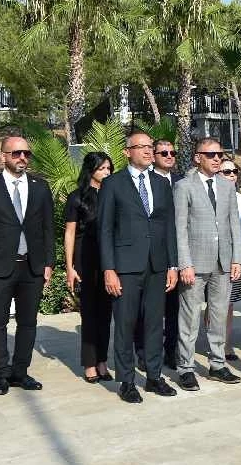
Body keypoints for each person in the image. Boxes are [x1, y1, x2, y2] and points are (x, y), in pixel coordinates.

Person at [98, 131, 179, 403]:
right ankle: (127, 381)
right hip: (125, 267)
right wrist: (109, 269)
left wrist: (172, 264)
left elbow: (168, 227)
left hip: (157, 265)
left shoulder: (161, 183)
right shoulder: (113, 184)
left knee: (155, 323)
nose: (147, 151)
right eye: (141, 146)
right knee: (125, 323)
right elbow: (105, 229)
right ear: (127, 152)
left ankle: (154, 376)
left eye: (150, 146)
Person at [0, 136, 55, 396]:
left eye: (26, 153)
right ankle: (1, 373)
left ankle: (20, 372)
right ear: (3, 156)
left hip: (32, 267)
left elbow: (48, 228)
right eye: (16, 153)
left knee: (28, 322)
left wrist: (48, 262)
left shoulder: (40, 187)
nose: (22, 157)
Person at [173, 138, 241, 391]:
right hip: (195, 263)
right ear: (197, 157)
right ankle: (185, 368)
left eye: (220, 155)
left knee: (219, 315)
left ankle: (217, 364)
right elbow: (180, 228)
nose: (217, 159)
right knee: (190, 318)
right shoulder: (183, 186)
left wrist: (237, 258)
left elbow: (234, 224)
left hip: (223, 262)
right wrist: (184, 263)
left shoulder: (226, 186)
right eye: (211, 155)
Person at [64, 151, 115, 383]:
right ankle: (90, 363)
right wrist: (70, 267)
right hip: (86, 258)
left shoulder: (113, 194)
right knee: (90, 313)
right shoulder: (77, 197)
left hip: (109, 259)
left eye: (109, 168)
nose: (106, 172)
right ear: (90, 170)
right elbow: (70, 233)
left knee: (106, 313)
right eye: (102, 168)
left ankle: (103, 361)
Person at [135, 139, 184, 369]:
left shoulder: (181, 181)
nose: (169, 156)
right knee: (145, 309)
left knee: (174, 308)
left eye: (173, 152)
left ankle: (171, 351)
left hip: (175, 253)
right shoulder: (141, 181)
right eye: (164, 153)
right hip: (146, 254)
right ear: (153, 156)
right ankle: (144, 353)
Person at [220, 160, 241, 361]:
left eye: (234, 171)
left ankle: (226, 345)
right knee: (214, 304)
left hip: (235, 257)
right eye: (226, 171)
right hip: (210, 257)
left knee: (228, 303)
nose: (231, 175)